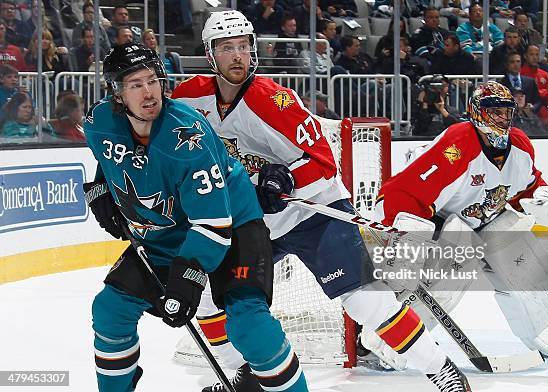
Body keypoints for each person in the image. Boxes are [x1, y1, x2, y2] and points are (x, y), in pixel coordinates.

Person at [172, 10, 471, 392]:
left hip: (314, 211)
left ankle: (441, 369)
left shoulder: (274, 100)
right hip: (255, 220)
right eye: (226, 48)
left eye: (244, 47)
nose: (237, 56)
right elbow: (154, 129)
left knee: (363, 301)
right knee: (212, 293)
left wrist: (286, 177)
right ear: (211, 55)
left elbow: (324, 162)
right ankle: (244, 373)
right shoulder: (188, 95)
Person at [84, 42, 309, 392]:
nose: (148, 93)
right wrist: (100, 187)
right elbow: (111, 156)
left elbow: (213, 224)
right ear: (117, 94)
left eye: (152, 80)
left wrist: (187, 279)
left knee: (248, 325)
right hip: (166, 234)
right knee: (110, 310)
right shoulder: (98, 122)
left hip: (233, 227)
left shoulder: (188, 136)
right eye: (135, 85)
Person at [376, 81, 548, 362]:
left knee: (521, 251)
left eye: (507, 112)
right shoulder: (457, 145)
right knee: (449, 272)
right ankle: (389, 340)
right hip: (447, 220)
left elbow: (526, 188)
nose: (503, 119)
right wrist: (407, 236)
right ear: (477, 112)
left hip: (488, 218)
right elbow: (402, 192)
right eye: (495, 112)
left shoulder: (519, 145)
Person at [520, 44, 548, 124]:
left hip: (544, 117)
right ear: (525, 56)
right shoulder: (520, 74)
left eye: (537, 54)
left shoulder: (544, 74)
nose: (535, 57)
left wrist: (539, 93)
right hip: (525, 116)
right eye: (531, 54)